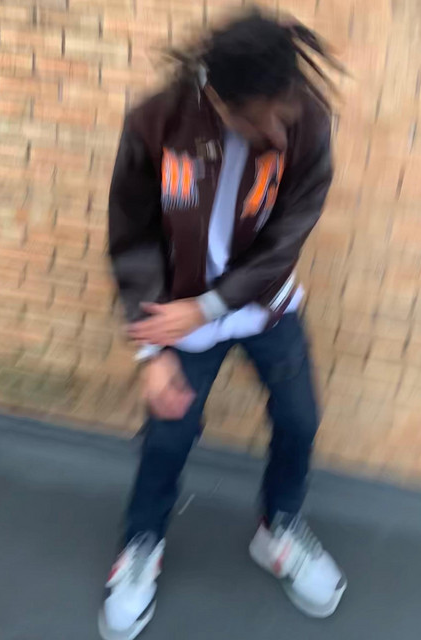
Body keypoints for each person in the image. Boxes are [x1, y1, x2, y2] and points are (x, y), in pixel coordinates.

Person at [100, 11, 346, 640]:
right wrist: (152, 353)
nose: (278, 132)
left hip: (264, 304)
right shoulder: (158, 121)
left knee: (300, 420)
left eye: (284, 112)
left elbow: (287, 238)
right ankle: (142, 545)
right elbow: (131, 239)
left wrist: (212, 306)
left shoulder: (308, 119)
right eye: (261, 119)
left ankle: (278, 529)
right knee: (168, 435)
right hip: (179, 311)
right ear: (218, 98)